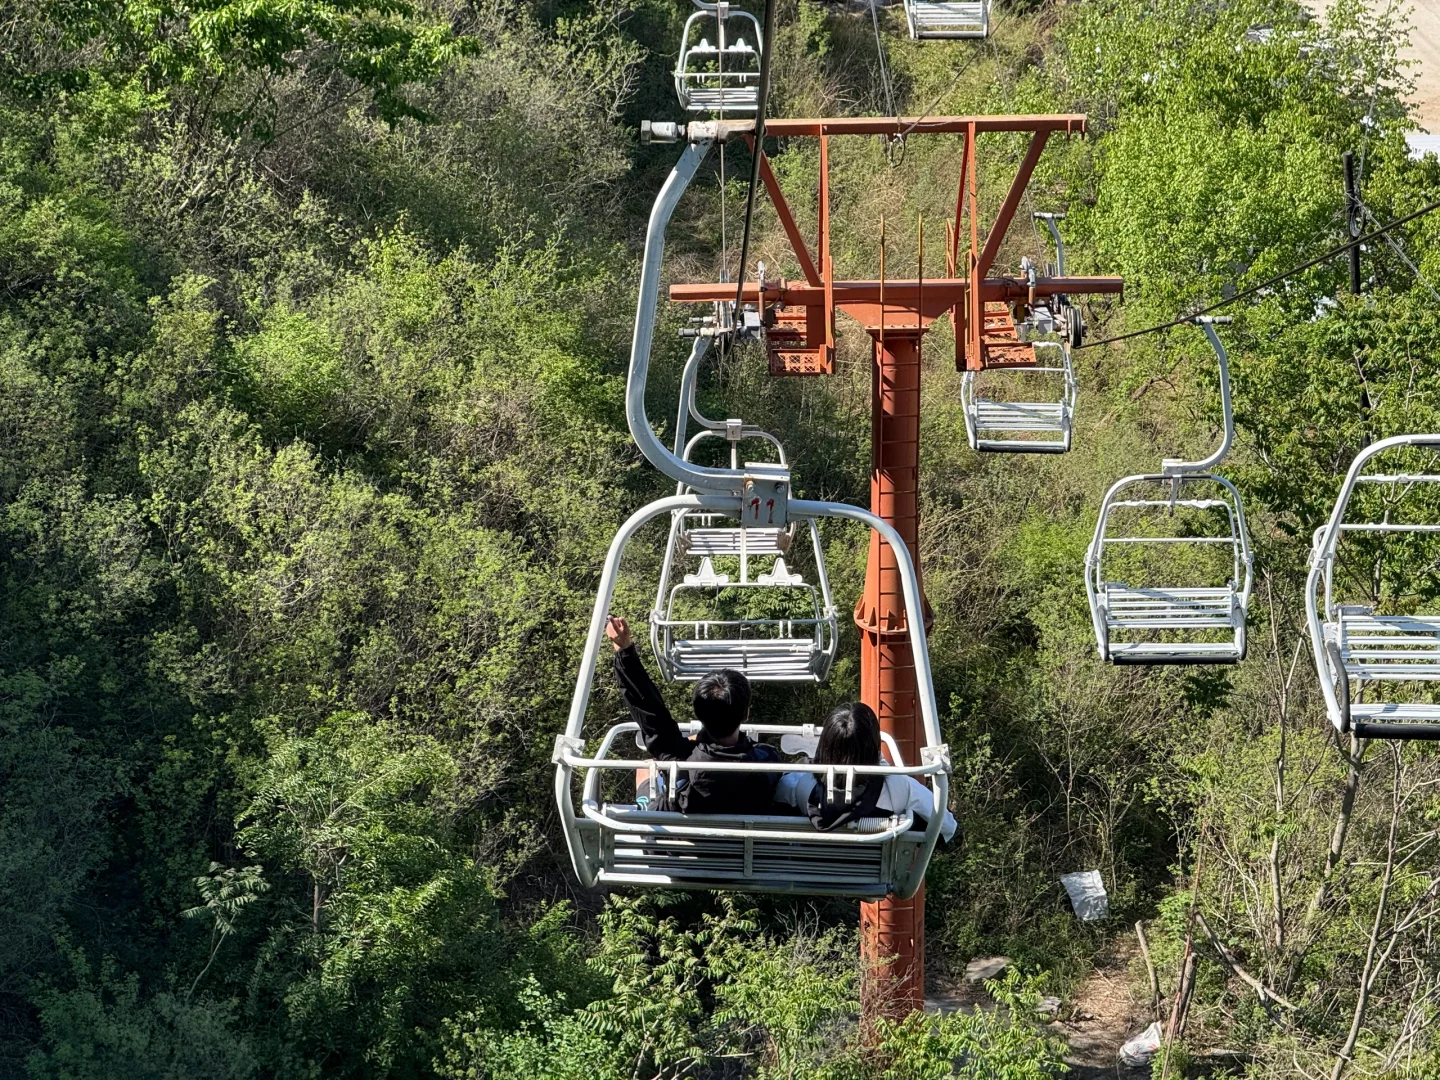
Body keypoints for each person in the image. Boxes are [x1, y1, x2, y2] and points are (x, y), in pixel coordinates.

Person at [605, 615, 780, 814]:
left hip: (675, 843)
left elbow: (649, 710)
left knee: (647, 767)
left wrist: (623, 648)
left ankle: (645, 807)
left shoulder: (679, 758)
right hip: (746, 841)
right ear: (746, 714)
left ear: (699, 714)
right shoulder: (766, 760)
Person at [773, 701, 957, 839]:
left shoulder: (796, 783)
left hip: (808, 868)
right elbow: (947, 826)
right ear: (874, 745)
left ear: (825, 745)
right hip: (873, 872)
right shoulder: (899, 788)